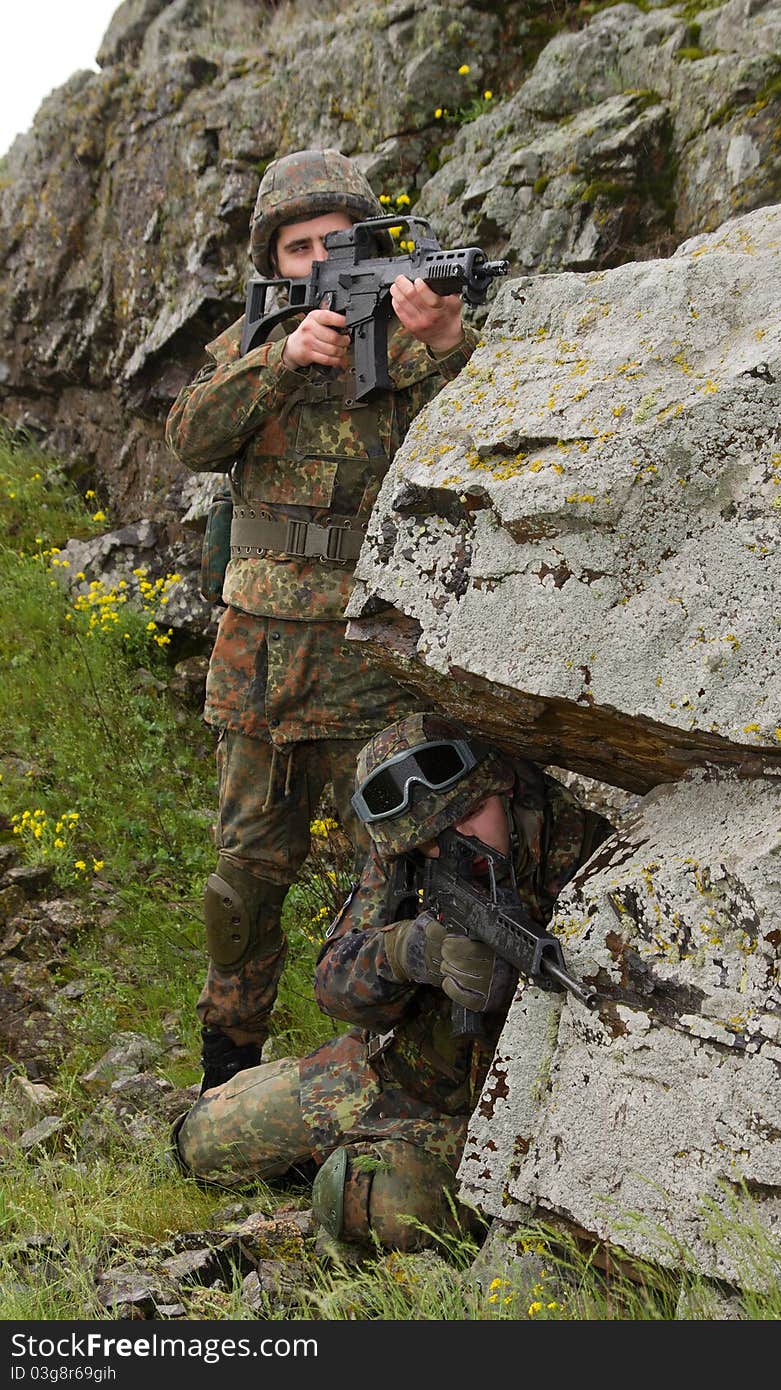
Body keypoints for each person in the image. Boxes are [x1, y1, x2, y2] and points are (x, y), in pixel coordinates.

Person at [164, 150, 479, 1093]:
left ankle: (392, 1072)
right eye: (295, 247)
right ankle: (227, 1071)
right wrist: (281, 362)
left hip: (367, 661)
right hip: (257, 659)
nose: (312, 261)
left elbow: (491, 426)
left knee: (390, 874)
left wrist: (450, 334)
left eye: (330, 243)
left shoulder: (412, 340)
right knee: (245, 882)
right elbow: (190, 436)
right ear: (274, 258)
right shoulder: (253, 346)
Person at [174, 713, 613, 1252]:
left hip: (484, 1118)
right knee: (201, 1143)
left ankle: (355, 1170)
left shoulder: (584, 849)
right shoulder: (405, 855)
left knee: (377, 1204)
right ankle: (342, 1151)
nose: (462, 842)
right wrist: (406, 953)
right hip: (386, 1071)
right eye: (434, 840)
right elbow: (332, 983)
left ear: (507, 786)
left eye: (474, 813)